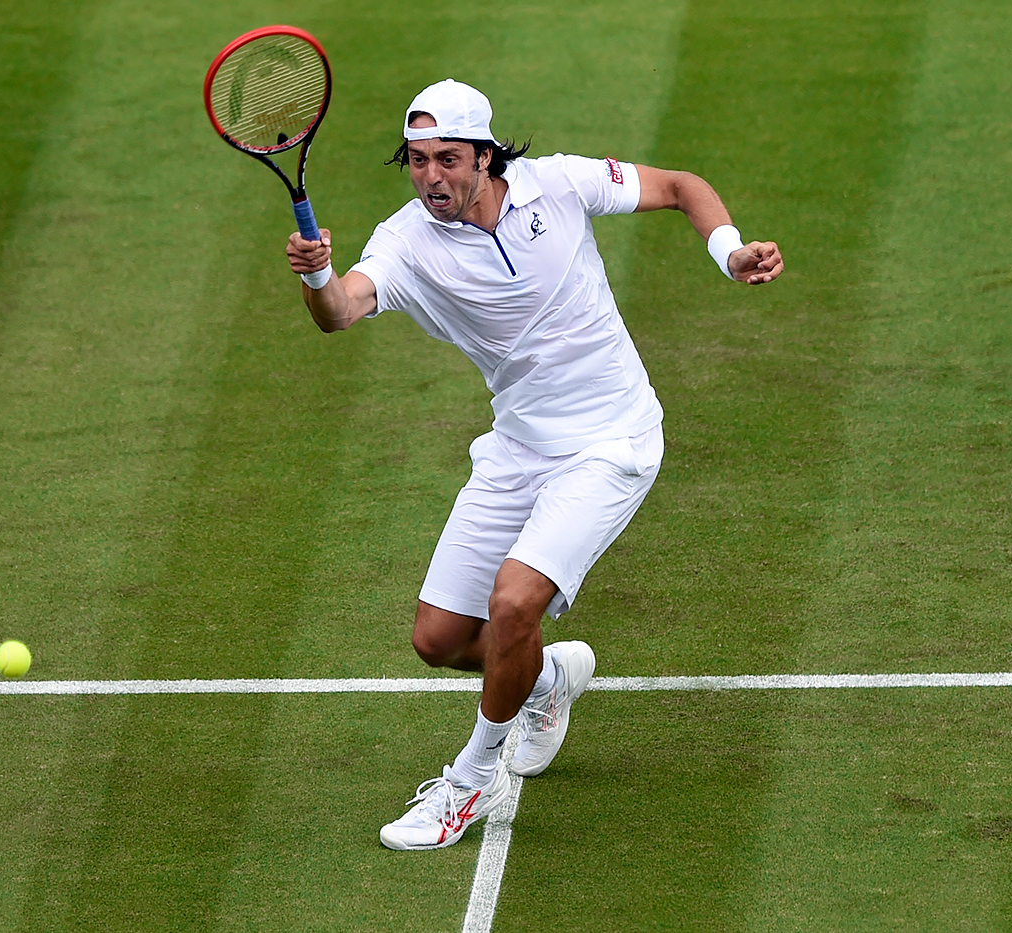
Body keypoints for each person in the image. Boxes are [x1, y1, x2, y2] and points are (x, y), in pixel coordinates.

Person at [284, 79, 783, 851]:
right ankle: (547, 682)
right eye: (416, 161)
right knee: (441, 639)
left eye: (448, 159)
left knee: (514, 605)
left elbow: (683, 188)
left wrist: (731, 253)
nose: (431, 178)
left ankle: (469, 782)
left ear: (486, 156)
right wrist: (318, 273)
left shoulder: (559, 182)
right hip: (518, 448)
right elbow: (342, 311)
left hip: (611, 441)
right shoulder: (405, 242)